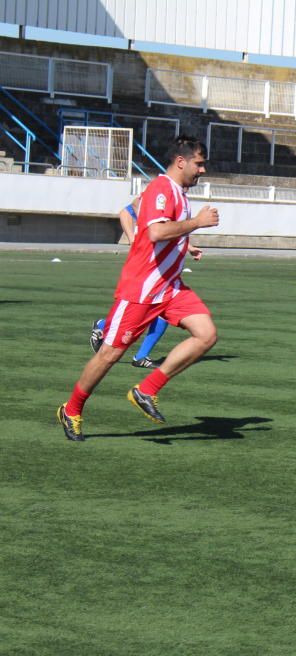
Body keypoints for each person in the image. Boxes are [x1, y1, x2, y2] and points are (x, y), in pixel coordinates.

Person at [57, 135, 220, 442]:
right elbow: (156, 231)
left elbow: (155, 228)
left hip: (169, 287)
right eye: (199, 164)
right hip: (142, 289)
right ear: (181, 161)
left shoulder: (177, 192)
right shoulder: (162, 188)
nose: (203, 170)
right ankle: (72, 409)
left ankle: (146, 390)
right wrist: (196, 223)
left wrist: (185, 245)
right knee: (109, 355)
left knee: (207, 334)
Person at [89, 196, 181, 368]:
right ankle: (104, 327)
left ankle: (141, 355)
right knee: (139, 309)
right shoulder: (159, 193)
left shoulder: (177, 197)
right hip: (144, 265)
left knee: (162, 308)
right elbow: (126, 211)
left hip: (160, 266)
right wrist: (132, 238)